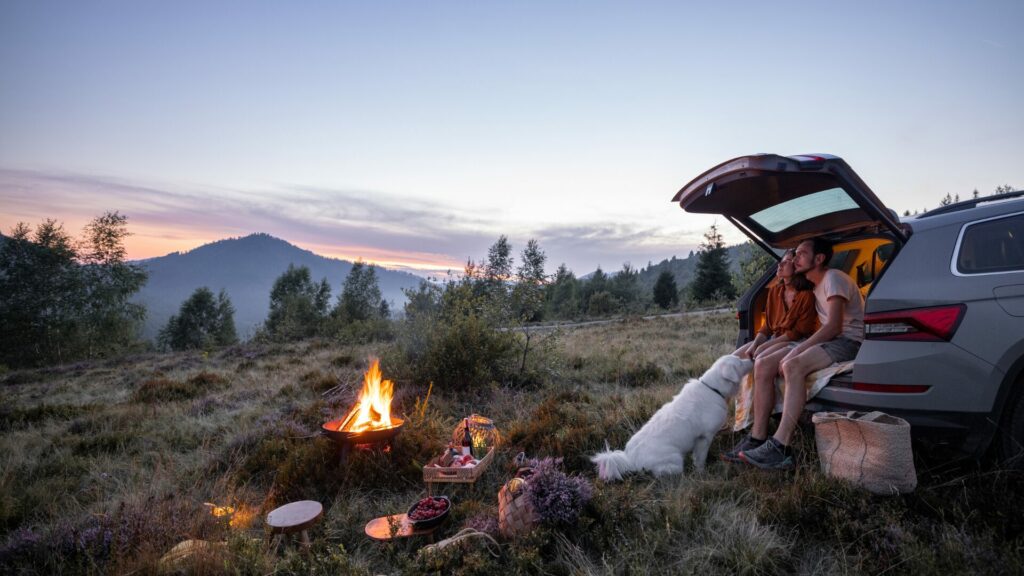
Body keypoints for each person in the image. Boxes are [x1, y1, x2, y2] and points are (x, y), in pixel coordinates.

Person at [730, 237, 864, 469]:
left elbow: (833, 327)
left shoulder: (833, 278)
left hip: (847, 341)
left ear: (819, 259)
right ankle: (757, 437)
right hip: (830, 338)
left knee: (792, 365)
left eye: (801, 254)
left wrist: (798, 350)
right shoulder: (813, 285)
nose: (795, 258)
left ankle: (781, 446)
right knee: (763, 364)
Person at [734, 249, 817, 361]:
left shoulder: (806, 296)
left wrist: (765, 346)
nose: (780, 264)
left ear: (797, 266)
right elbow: (767, 326)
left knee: (760, 358)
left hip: (795, 342)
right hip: (774, 339)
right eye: (781, 261)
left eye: (787, 261)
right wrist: (755, 344)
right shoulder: (774, 292)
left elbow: (798, 333)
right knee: (731, 359)